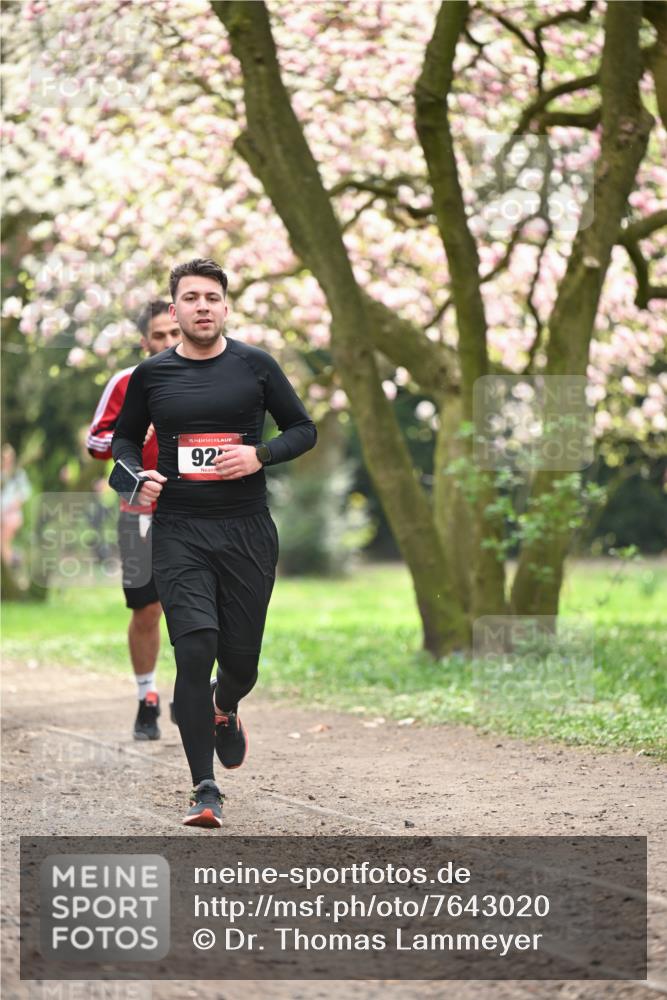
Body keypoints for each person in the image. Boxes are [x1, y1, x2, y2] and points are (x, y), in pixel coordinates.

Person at [111, 258, 317, 828]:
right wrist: (137, 478)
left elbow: (304, 428)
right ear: (173, 310)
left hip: (247, 530)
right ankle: (205, 788)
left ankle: (227, 708)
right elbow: (122, 444)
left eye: (212, 297)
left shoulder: (256, 366)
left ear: (225, 308)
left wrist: (261, 453)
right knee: (196, 648)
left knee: (242, 663)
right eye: (190, 297)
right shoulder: (151, 376)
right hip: (179, 531)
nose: (202, 306)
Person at [87, 301, 181, 740]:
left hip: (195, 507)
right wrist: (130, 433)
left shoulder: (209, 378)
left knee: (199, 602)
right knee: (147, 608)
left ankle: (194, 690)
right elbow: (94, 440)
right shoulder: (126, 382)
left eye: (173, 335)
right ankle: (147, 698)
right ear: (145, 341)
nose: (167, 343)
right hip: (137, 508)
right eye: (158, 337)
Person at [1, 444, 32, 568]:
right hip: (2, 514)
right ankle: (16, 560)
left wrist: (15, 504)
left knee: (4, 542)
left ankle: (9, 569)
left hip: (11, 515)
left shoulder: (18, 474)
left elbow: (25, 493)